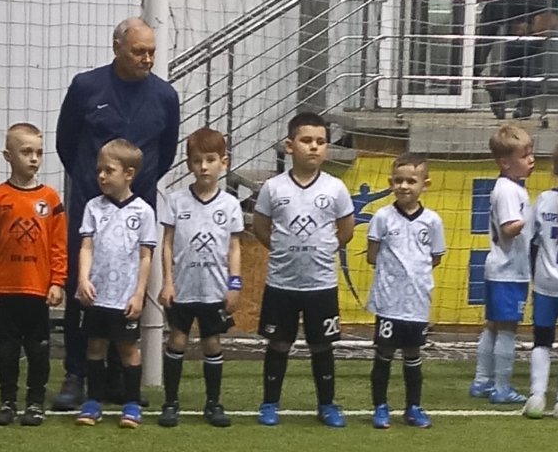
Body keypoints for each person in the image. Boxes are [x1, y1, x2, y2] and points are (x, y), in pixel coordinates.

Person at [55, 17, 180, 410]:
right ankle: (77, 374)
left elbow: (166, 152)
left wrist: (133, 189)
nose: (147, 59)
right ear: (117, 48)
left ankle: (116, 377)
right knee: (83, 286)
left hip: (137, 209)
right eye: (139, 51)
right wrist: (95, 184)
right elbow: (66, 143)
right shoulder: (85, 87)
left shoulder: (165, 96)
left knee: (128, 287)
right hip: (90, 207)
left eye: (151, 52)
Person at [252, 111, 355, 427]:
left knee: (322, 345)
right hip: (282, 283)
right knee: (279, 343)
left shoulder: (336, 188)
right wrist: (283, 249)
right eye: (306, 140)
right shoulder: (273, 187)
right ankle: (270, 403)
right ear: (289, 146)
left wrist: (322, 248)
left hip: (320, 283)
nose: (314, 147)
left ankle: (327, 404)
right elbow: (261, 227)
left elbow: (346, 230)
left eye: (320, 142)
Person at [0, 123, 67, 427]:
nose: (34, 159)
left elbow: (58, 245)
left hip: (38, 289)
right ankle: (7, 401)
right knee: (7, 349)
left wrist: (57, 281)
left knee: (39, 348)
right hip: (6, 289)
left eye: (38, 153)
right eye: (26, 152)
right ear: (8, 155)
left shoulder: (50, 199)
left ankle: (35, 402)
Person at [158, 127, 244, 428]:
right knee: (177, 340)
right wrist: (168, 281)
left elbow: (234, 247)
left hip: (214, 289)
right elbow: (167, 244)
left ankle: (213, 403)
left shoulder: (230, 205)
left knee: (212, 343)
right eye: (197, 161)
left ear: (224, 162)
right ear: (189, 165)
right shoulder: (176, 201)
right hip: (182, 287)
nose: (204, 167)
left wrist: (235, 284)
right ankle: (171, 403)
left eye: (210, 160)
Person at [75, 140, 156, 429]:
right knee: (95, 346)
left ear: (129, 174)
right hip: (97, 294)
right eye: (99, 170)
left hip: (125, 297)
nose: (101, 175)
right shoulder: (93, 207)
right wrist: (83, 279)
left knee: (127, 349)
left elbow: (146, 256)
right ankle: (93, 401)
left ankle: (132, 403)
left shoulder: (143, 211)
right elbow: (86, 246)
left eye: (108, 170)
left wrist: (139, 294)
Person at [366, 153, 446, 429]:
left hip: (417, 301)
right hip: (388, 300)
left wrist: (414, 276)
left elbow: (435, 257)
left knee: (413, 354)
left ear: (426, 184)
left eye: (411, 181)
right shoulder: (382, 217)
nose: (404, 186)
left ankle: (413, 407)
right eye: (398, 180)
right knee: (384, 352)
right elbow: (372, 255)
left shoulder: (432, 221)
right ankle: (380, 407)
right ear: (390, 182)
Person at [469, 124, 534, 404]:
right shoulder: (508, 190)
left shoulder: (509, 187)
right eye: (524, 155)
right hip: (509, 270)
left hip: (501, 268)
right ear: (505, 163)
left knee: (494, 325)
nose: (531, 159)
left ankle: (482, 381)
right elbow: (509, 229)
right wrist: (534, 217)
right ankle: (502, 386)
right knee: (507, 327)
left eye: (531, 153)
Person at [523, 142, 558, 419]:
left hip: (546, 282)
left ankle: (537, 396)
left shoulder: (544, 200)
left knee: (542, 340)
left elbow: (531, 242)